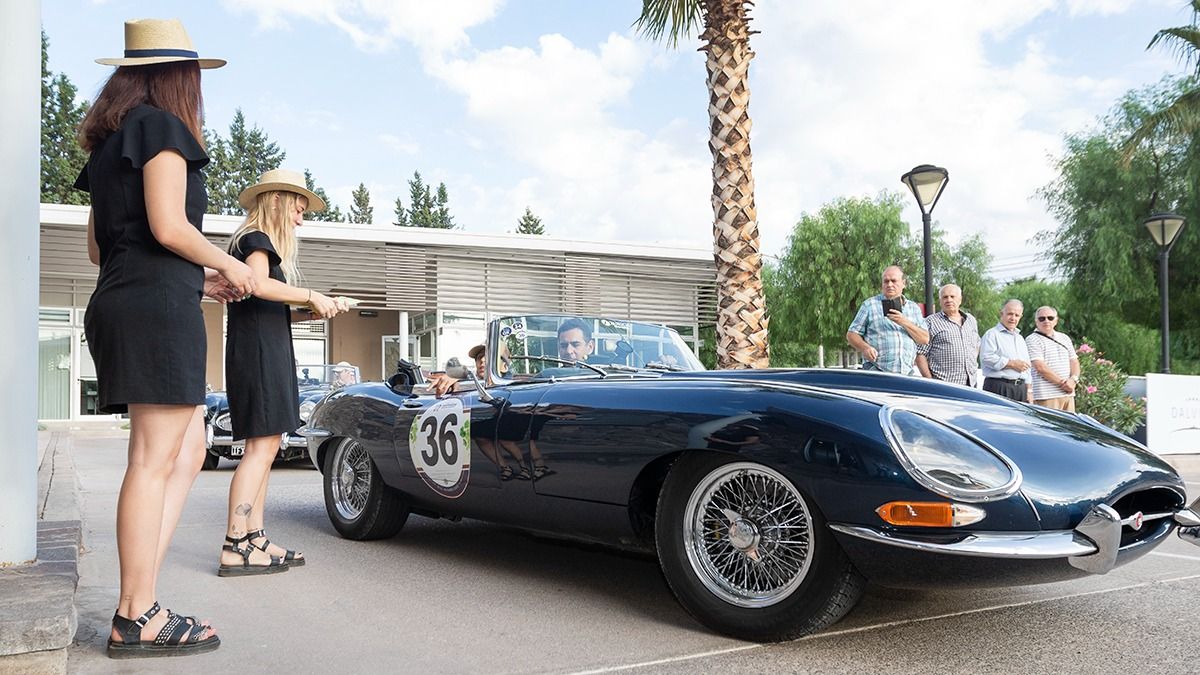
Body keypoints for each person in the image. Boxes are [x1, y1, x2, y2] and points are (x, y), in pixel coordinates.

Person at [75, 18, 249, 658]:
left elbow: (103, 248)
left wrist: (197, 282)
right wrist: (228, 264)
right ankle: (136, 612)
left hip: (127, 298)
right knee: (154, 458)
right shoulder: (163, 128)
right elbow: (170, 225)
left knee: (190, 448)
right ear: (178, 75)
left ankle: (140, 599)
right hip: (152, 310)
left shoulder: (110, 142)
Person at [219, 169, 347, 577]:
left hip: (264, 351)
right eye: (298, 207)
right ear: (275, 199)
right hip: (258, 355)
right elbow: (257, 286)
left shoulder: (258, 243)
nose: (300, 218)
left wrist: (307, 309)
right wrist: (311, 294)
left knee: (268, 447)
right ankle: (235, 544)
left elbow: (266, 302)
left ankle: (254, 537)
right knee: (260, 449)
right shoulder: (255, 240)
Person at [846, 266, 929, 375]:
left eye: (893, 281)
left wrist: (904, 322)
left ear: (903, 283)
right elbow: (851, 334)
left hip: (906, 373)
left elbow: (924, 339)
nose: (889, 285)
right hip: (877, 371)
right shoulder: (870, 305)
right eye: (886, 281)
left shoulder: (914, 308)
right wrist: (865, 348)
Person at [915, 284, 981, 386]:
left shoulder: (971, 320)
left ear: (960, 299)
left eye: (952, 296)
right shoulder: (931, 322)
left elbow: (976, 345)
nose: (949, 300)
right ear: (940, 301)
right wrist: (931, 382)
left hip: (971, 384)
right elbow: (920, 354)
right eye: (945, 297)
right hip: (944, 386)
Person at [1026, 306, 1080, 411]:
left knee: (1068, 426)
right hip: (1046, 395)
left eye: (1050, 318)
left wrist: (1073, 380)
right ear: (1036, 321)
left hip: (1068, 395)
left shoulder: (1064, 338)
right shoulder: (1032, 339)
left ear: (1056, 320)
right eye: (1042, 318)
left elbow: (1074, 361)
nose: (1046, 321)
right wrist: (1063, 384)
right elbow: (1040, 367)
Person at [980, 299, 1032, 402]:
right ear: (1001, 313)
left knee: (1019, 418)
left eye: (1017, 315)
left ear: (1021, 317)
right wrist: (1011, 363)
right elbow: (987, 358)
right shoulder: (992, 334)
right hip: (999, 387)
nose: (1013, 318)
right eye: (1010, 314)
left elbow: (1027, 366)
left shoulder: (1020, 338)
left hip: (1020, 389)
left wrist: (1029, 390)